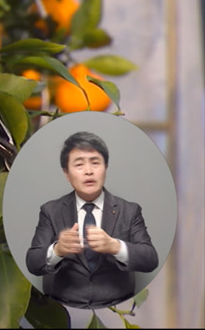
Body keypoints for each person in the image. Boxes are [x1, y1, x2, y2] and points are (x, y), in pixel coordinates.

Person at [26, 131, 159, 308]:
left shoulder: (129, 210)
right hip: (64, 306)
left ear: (106, 167)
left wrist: (115, 246)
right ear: (66, 173)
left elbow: (150, 259)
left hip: (117, 303)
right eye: (79, 165)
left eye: (95, 163)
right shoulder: (51, 211)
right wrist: (57, 250)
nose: (88, 171)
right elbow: (33, 263)